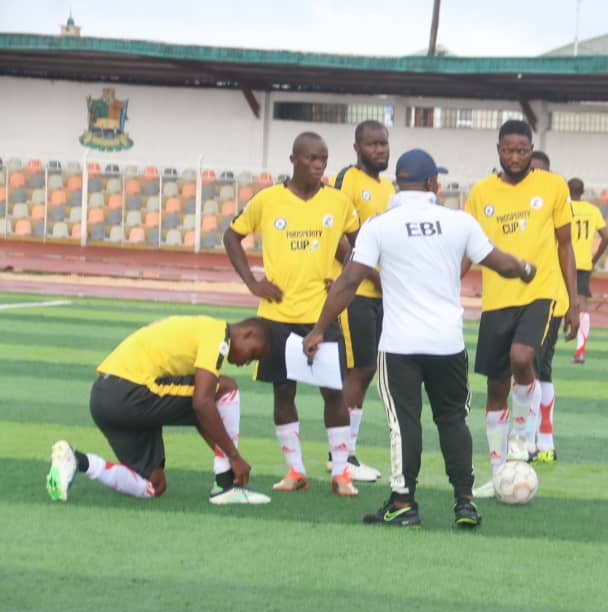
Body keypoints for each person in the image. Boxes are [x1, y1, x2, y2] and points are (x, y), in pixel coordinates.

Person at [303, 148, 537, 527]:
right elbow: (501, 262)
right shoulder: (458, 221)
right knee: (453, 420)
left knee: (404, 423)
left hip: (400, 346)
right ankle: (464, 502)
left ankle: (403, 502)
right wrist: (526, 269)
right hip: (447, 344)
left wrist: (317, 328)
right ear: (431, 184)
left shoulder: (379, 225)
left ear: (400, 182)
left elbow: (349, 280)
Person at [223, 131, 361, 497]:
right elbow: (231, 236)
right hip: (276, 316)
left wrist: (345, 277)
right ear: (294, 159)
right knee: (283, 394)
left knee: (334, 393)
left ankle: (342, 473)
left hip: (322, 315)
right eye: (312, 159)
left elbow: (359, 244)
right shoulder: (268, 200)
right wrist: (253, 283)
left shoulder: (338, 201)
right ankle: (295, 470)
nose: (319, 166)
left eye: (324, 160)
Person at [463, 120, 579, 498]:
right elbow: (468, 248)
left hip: (540, 292)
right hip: (497, 299)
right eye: (509, 150)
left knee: (522, 356)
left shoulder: (552, 186)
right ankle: (499, 473)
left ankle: (522, 442)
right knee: (496, 387)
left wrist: (573, 303)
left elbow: (565, 246)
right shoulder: (481, 193)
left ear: (531, 150)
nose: (515, 156)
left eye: (523, 150)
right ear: (498, 149)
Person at [46, 315, 272, 505]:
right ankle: (225, 486)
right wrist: (234, 456)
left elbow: (201, 415)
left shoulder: (197, 325)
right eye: (253, 355)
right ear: (248, 334)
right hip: (132, 391)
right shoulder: (216, 333)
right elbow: (202, 403)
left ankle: (78, 461)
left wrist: (226, 451)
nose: (247, 362)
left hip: (103, 398)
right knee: (226, 388)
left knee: (153, 485)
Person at [328, 120, 396, 483]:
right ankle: (341, 454)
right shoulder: (347, 179)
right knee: (359, 369)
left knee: (366, 369)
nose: (380, 150)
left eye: (383, 144)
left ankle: (345, 451)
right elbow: (338, 235)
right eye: (372, 144)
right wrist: (370, 273)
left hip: (381, 292)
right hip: (355, 292)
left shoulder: (389, 188)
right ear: (357, 147)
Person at [525, 150, 565, 463]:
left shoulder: (554, 204)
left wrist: (574, 304)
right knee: (530, 368)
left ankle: (539, 442)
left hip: (550, 296)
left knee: (535, 368)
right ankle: (538, 442)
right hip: (518, 296)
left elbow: (568, 250)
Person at [567, 177, 608, 365]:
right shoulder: (593, 211)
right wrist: (594, 258)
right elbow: (606, 237)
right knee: (583, 304)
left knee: (553, 300)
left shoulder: (563, 208)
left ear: (567, 191)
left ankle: (544, 347)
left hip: (563, 261)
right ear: (582, 192)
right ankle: (580, 351)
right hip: (584, 262)